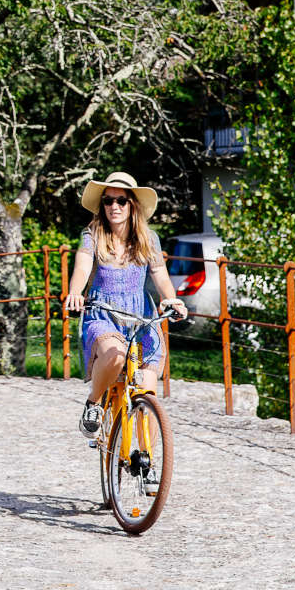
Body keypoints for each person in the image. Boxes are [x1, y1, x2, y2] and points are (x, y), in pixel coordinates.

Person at [63, 171, 189, 437]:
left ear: (132, 204)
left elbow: (159, 274)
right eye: (108, 201)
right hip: (103, 314)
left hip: (141, 317)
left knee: (148, 389)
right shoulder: (92, 235)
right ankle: (94, 403)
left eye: (121, 200)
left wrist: (170, 298)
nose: (114, 207)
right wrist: (75, 292)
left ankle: (149, 465)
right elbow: (83, 268)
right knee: (115, 355)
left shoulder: (148, 238)